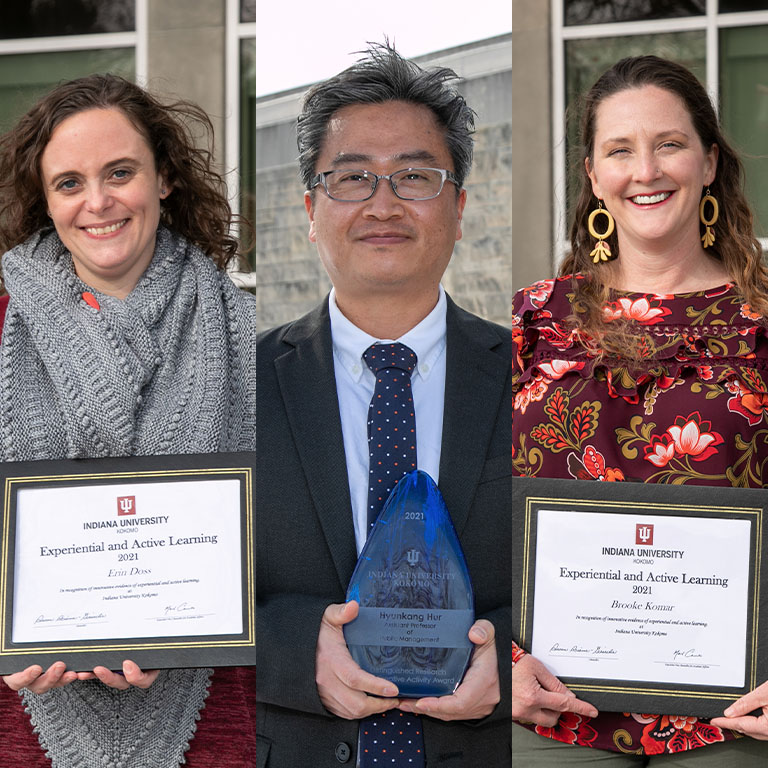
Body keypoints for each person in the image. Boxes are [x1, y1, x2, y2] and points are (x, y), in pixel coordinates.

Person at [256, 43, 511, 767]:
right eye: (352, 177)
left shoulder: (538, 375)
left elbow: (587, 576)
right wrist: (297, 652)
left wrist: (514, 653)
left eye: (414, 175)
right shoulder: (237, 386)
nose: (383, 202)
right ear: (311, 210)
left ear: (459, 208)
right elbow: (195, 590)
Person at [512, 55, 768, 765]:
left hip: (736, 716)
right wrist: (498, 655)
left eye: (670, 145)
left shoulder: (763, 317)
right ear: (594, 177)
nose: (646, 171)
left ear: (710, 163)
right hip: (551, 710)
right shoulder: (531, 321)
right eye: (620, 150)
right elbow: (467, 495)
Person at [0, 74, 256, 767]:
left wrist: (182, 625)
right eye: (69, 183)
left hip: (215, 719)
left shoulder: (248, 336)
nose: (98, 202)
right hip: (20, 716)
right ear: (44, 200)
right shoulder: (0, 333)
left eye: (120, 173)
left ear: (165, 178)